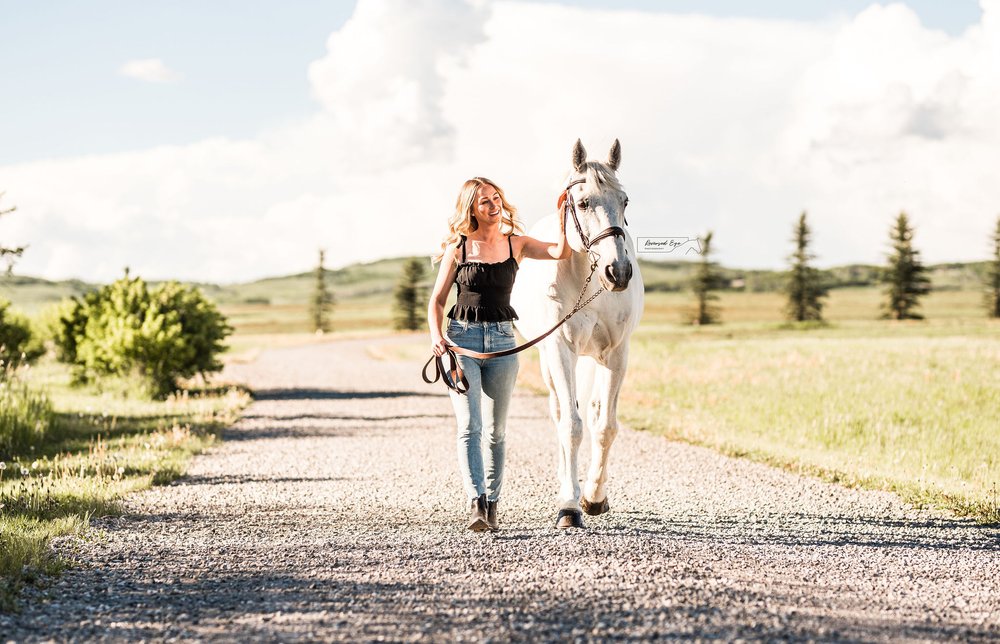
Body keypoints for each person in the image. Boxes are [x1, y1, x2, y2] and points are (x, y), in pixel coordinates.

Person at [428, 177, 570, 532]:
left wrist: (564, 214)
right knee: (469, 427)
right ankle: (476, 504)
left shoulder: (515, 244)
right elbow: (437, 301)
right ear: (471, 210)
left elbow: (560, 252)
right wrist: (437, 337)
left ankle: (492, 504)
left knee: (496, 432)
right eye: (484, 202)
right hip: (462, 342)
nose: (493, 206)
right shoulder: (458, 249)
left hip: (505, 343)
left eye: (496, 199)